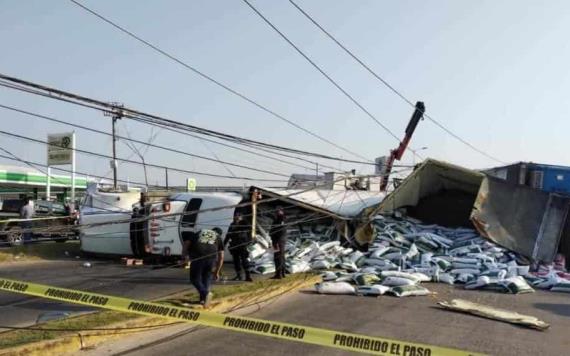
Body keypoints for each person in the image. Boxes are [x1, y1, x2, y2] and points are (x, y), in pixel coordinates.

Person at [182, 227, 224, 307]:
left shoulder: (201, 231)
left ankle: (205, 294)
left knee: (194, 278)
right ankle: (203, 300)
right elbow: (221, 257)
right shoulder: (218, 237)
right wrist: (217, 272)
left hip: (198, 256)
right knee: (206, 278)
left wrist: (184, 256)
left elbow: (187, 242)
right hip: (211, 258)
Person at [224, 213, 253, 282]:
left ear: (241, 217)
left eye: (238, 216)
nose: (236, 217)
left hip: (243, 245)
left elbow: (249, 228)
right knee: (236, 261)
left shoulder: (244, 224)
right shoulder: (232, 225)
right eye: (236, 216)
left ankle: (248, 276)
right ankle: (239, 275)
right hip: (234, 245)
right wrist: (223, 244)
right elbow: (228, 235)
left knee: (244, 260)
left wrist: (249, 243)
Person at [270, 208, 287, 279]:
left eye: (278, 211)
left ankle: (279, 274)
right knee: (281, 257)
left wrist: (276, 242)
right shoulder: (279, 220)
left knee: (278, 257)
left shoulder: (281, 220)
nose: (277, 212)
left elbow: (280, 232)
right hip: (279, 241)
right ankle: (282, 273)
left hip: (278, 241)